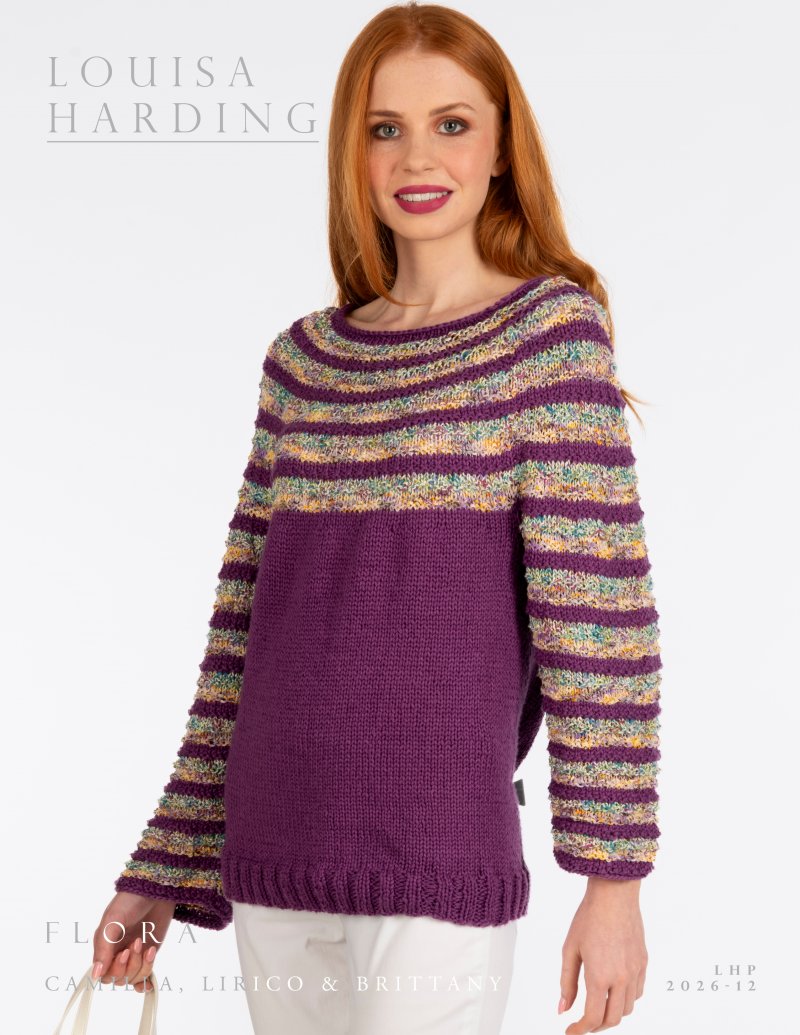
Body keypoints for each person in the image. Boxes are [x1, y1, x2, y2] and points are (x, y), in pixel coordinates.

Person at [91, 4, 662, 1033]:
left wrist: (611, 884)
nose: (416, 156)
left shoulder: (546, 340)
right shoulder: (303, 364)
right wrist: (168, 859)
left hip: (438, 853)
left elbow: (599, 629)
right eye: (383, 127)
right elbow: (240, 635)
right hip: (273, 842)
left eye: (451, 124)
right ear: (350, 151)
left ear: (501, 147)